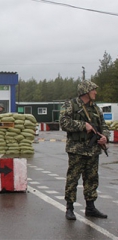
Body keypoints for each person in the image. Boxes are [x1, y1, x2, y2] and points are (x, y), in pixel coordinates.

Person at [59, 80, 109, 220]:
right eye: (93, 90)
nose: (95, 92)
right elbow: (63, 122)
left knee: (92, 178)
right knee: (73, 178)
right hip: (77, 149)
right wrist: (83, 125)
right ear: (86, 91)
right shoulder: (71, 105)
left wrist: (105, 137)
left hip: (93, 150)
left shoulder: (96, 109)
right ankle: (70, 208)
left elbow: (104, 125)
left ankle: (90, 207)